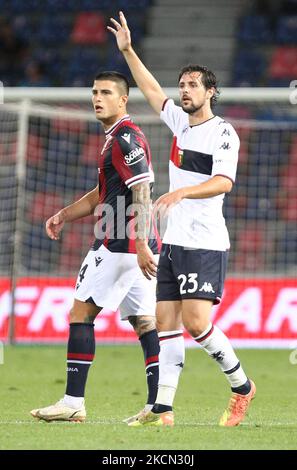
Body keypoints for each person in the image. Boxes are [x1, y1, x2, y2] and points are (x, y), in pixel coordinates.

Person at [108, 12, 256, 427]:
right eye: (183, 85)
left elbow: (224, 181)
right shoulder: (180, 124)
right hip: (173, 241)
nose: (185, 91)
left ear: (211, 91)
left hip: (205, 241)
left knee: (195, 322)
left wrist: (180, 191)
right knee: (166, 323)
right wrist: (128, 51)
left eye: (193, 85)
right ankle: (163, 409)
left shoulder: (223, 132)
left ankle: (242, 387)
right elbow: (151, 90)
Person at [30, 71, 161, 423]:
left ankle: (73, 400)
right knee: (144, 322)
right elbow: (103, 193)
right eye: (94, 92)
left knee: (80, 314)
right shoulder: (117, 138)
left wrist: (139, 243)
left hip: (119, 243)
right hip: (137, 245)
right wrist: (65, 214)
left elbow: (143, 191)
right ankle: (157, 406)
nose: (97, 98)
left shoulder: (124, 138)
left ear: (123, 100)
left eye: (105, 92)